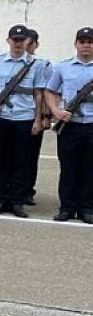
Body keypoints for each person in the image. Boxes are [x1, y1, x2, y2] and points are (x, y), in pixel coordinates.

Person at [0, 25, 46, 217]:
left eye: (21, 40)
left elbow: (38, 93)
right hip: (2, 118)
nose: (18, 44)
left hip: (24, 118)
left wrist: (37, 119)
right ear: (8, 41)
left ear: (27, 42)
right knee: (0, 161)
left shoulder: (36, 65)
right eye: (14, 40)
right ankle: (0, 199)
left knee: (21, 161)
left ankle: (17, 202)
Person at [46, 26, 93, 223]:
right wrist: (56, 111)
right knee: (68, 168)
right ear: (75, 44)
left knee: (90, 169)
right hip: (70, 126)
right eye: (82, 42)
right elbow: (50, 91)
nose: (86, 45)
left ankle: (87, 209)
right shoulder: (62, 67)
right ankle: (67, 207)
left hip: (91, 125)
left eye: (89, 42)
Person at [23, 29, 51, 205]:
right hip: (15, 116)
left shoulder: (43, 65)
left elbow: (47, 93)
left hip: (35, 116)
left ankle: (27, 190)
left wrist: (45, 117)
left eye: (28, 43)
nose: (25, 46)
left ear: (35, 45)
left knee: (30, 156)